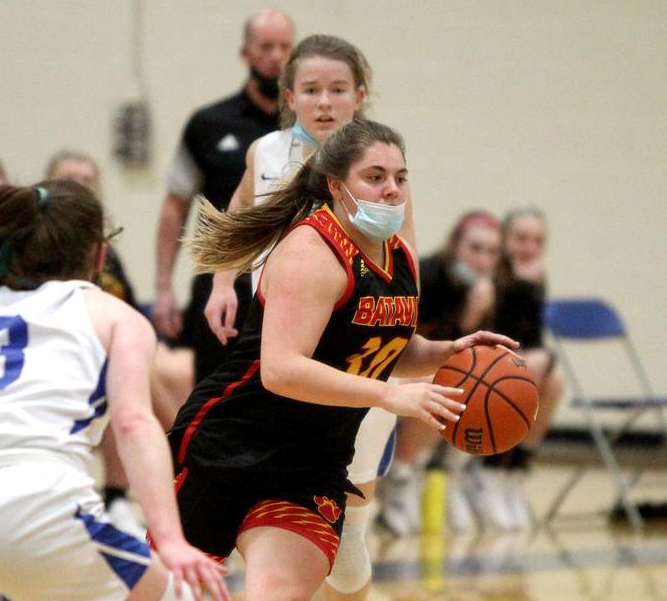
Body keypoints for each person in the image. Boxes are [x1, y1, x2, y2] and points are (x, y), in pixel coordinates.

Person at [168, 119, 516, 601]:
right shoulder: (311, 250)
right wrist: (390, 396)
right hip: (230, 445)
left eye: (400, 177)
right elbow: (282, 369)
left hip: (311, 465)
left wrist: (448, 353)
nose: (392, 190)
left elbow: (389, 347)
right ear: (336, 185)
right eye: (375, 177)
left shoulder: (401, 258)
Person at [0, 181, 229, 601]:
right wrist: (170, 540)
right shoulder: (115, 316)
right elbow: (134, 423)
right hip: (37, 502)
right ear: (100, 254)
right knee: (175, 594)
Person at [203, 34, 414, 601]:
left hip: (353, 358)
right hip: (280, 349)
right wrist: (223, 283)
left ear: (360, 97)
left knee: (348, 534)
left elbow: (403, 276)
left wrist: (414, 358)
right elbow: (240, 213)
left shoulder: (379, 175)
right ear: (288, 96)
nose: (324, 102)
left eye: (338, 90)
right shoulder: (266, 154)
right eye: (312, 90)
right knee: (266, 505)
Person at [45, 149, 193, 536]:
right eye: (69, 178)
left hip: (102, 345)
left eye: (88, 180)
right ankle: (189, 464)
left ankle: (159, 481)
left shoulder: (104, 253)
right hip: (59, 352)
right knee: (124, 381)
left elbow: (124, 307)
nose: (80, 186)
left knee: (177, 370)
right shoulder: (38, 247)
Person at [153, 8, 295, 383]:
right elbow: (174, 205)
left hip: (288, 286)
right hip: (221, 282)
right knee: (214, 395)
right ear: (245, 53)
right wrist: (163, 286)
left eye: (284, 47)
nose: (276, 56)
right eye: (266, 46)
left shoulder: (307, 130)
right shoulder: (209, 124)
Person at [378, 211, 513, 534]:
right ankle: (401, 474)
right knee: (446, 383)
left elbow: (488, 352)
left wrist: (477, 317)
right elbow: (407, 347)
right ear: (455, 245)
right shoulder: (428, 275)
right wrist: (467, 319)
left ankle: (452, 473)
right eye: (475, 249)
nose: (482, 260)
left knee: (487, 384)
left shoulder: (497, 288)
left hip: (438, 373)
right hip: (394, 366)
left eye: (491, 253)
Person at [483, 206, 564, 528]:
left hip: (518, 363)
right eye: (521, 238)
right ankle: (491, 469)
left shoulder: (534, 276)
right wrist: (523, 289)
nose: (529, 247)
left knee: (554, 381)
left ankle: (516, 469)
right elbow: (500, 333)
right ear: (503, 239)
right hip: (481, 362)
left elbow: (532, 337)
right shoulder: (491, 275)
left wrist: (529, 287)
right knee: (539, 363)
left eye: (537, 240)